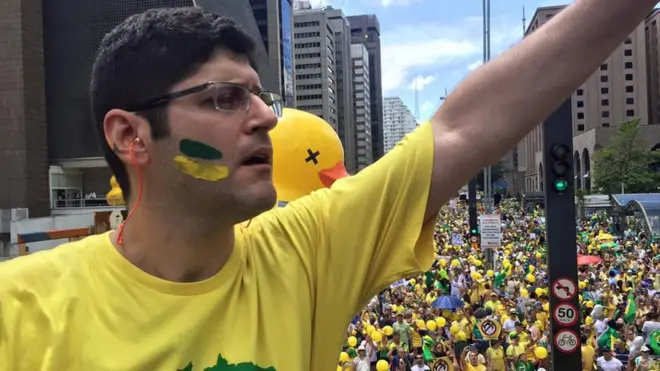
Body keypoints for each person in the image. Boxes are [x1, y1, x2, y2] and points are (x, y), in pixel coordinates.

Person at [1, 1, 658, 370]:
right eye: (227, 98)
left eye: (262, 96)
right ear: (130, 136)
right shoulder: (21, 311)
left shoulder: (304, 253)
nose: (265, 118)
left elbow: (464, 127)